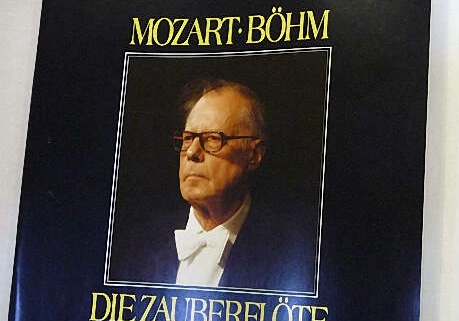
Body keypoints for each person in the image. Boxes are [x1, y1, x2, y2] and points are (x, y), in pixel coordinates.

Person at [109, 78, 318, 293]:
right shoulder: (134, 246)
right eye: (188, 138)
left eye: (212, 139)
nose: (192, 152)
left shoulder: (296, 254)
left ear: (254, 155)